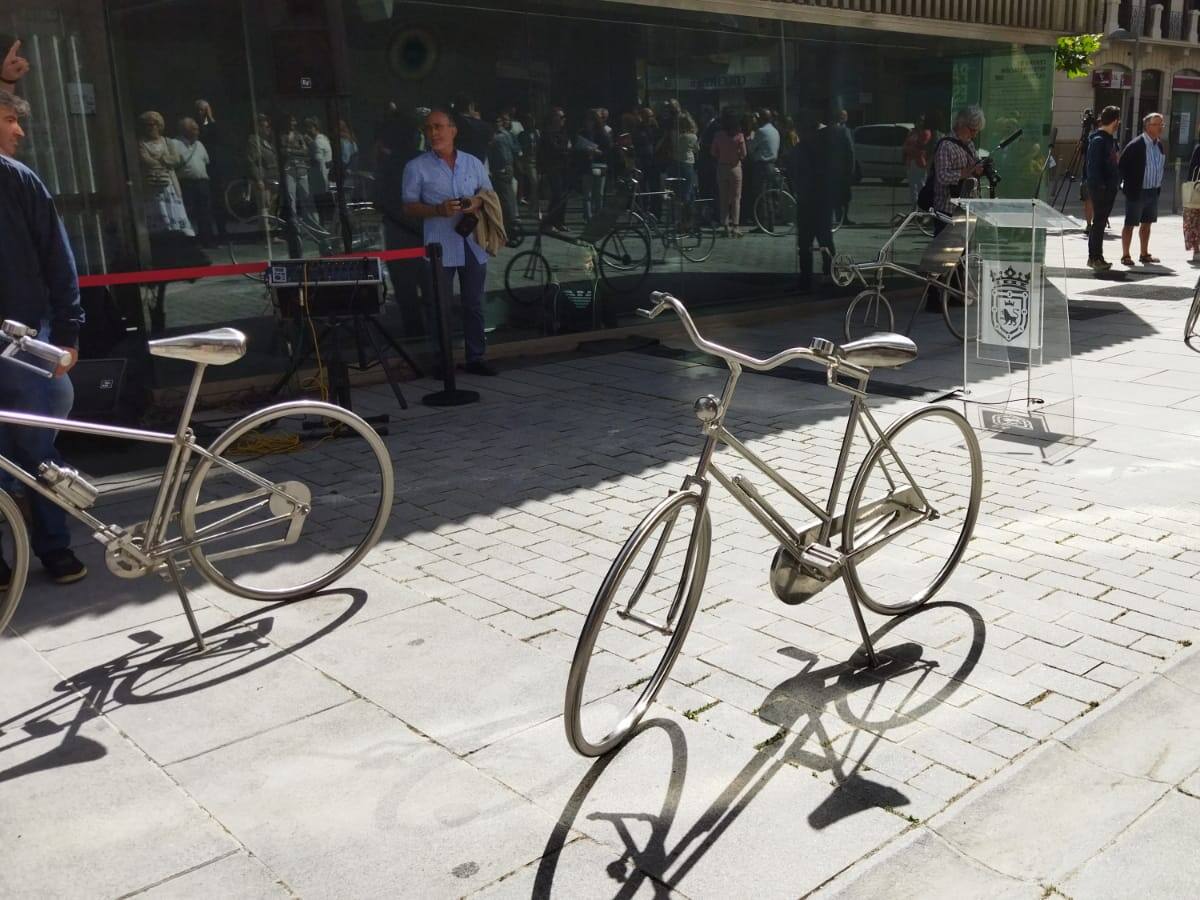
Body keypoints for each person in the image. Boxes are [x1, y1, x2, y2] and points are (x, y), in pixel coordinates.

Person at [0, 90, 88, 585]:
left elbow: (59, 258)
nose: (20, 132)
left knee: (37, 446)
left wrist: (69, 332)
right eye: (10, 119)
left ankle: (55, 548)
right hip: (24, 341)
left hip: (26, 341)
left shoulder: (17, 179)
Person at [402, 108, 496, 376]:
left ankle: (476, 357)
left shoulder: (473, 162)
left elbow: (488, 193)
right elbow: (408, 207)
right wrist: (436, 210)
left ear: (453, 130)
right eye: (429, 128)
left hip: (472, 243)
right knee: (439, 306)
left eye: (439, 127)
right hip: (439, 246)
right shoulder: (416, 167)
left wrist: (474, 202)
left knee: (474, 303)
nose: (434, 133)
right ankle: (442, 362)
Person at [789, 110, 836, 291]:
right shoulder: (822, 150)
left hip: (809, 201)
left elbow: (793, 173)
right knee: (823, 240)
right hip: (819, 200)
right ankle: (827, 274)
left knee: (807, 243)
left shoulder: (800, 150)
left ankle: (808, 277)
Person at [1118, 112, 1166, 266]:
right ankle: (1125, 255)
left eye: (1161, 124)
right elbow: (1122, 167)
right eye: (1157, 124)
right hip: (1137, 191)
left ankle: (1144, 253)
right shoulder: (1136, 145)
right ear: (1147, 126)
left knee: (1147, 224)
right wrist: (1126, 186)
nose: (1160, 127)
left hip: (1153, 191)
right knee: (1130, 224)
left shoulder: (1159, 145)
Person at [137, 110, 194, 238]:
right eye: (147, 125)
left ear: (159, 125)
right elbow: (144, 158)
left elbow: (176, 159)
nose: (150, 128)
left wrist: (163, 160)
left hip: (169, 183)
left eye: (153, 124)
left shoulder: (167, 141)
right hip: (151, 182)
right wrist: (161, 161)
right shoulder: (142, 143)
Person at [929, 105, 987, 229]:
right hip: (947, 211)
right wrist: (966, 172)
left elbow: (974, 166)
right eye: (972, 130)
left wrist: (980, 169)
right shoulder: (946, 145)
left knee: (965, 247)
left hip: (966, 208)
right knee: (945, 247)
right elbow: (942, 177)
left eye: (977, 131)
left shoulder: (969, 144)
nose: (974, 135)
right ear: (961, 124)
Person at [1084, 106, 1122, 273]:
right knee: (1098, 224)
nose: (1118, 124)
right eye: (1118, 120)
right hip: (1101, 188)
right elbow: (1093, 168)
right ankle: (1094, 257)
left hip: (1108, 187)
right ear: (1115, 121)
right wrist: (1102, 187)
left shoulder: (1108, 139)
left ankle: (1097, 257)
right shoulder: (1099, 140)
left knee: (1099, 223)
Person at [172, 117, 215, 247]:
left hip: (202, 183)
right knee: (188, 213)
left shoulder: (200, 144)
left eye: (197, 129)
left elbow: (206, 161)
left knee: (205, 213)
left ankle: (207, 241)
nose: (197, 131)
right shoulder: (174, 143)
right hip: (186, 183)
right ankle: (190, 243)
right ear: (184, 130)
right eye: (193, 129)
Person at [193, 100, 229, 239]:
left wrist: (210, 117)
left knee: (219, 200)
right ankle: (206, 233)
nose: (201, 113)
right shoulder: (195, 127)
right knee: (204, 203)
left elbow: (217, 135)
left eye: (204, 110)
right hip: (201, 167)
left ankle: (222, 231)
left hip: (215, 167)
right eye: (199, 110)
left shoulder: (212, 125)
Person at [711, 108, 747, 237]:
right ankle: (735, 226)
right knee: (736, 198)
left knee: (723, 198)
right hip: (735, 168)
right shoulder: (739, 136)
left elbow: (713, 152)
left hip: (722, 167)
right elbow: (744, 154)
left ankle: (725, 225)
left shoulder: (718, 135)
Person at [538, 107, 571, 231]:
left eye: (564, 117)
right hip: (553, 168)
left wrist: (565, 149)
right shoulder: (547, 133)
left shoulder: (563, 133)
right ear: (554, 118)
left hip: (564, 167)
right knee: (556, 194)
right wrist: (564, 148)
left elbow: (567, 147)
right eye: (560, 117)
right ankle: (548, 222)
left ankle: (560, 221)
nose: (563, 120)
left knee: (564, 196)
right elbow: (554, 149)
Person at [487, 112, 519, 237]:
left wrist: (512, 165)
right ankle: (507, 223)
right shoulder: (492, 136)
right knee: (503, 197)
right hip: (497, 169)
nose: (498, 123)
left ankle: (510, 224)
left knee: (507, 196)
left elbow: (513, 150)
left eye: (499, 121)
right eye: (495, 121)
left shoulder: (505, 135)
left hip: (506, 167)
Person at [747, 109, 779, 228]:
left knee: (761, 195)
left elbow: (751, 148)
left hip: (761, 165)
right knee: (768, 194)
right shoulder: (775, 131)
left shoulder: (761, 131)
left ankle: (763, 223)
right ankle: (771, 222)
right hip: (772, 164)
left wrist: (750, 136)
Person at [828, 109, 856, 225]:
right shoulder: (845, 131)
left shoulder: (829, 130)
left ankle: (838, 217)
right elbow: (850, 151)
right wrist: (852, 168)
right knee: (845, 196)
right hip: (843, 169)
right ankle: (843, 218)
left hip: (832, 168)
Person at [903, 117, 933, 209]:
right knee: (912, 187)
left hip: (920, 162)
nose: (919, 122)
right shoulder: (912, 132)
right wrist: (911, 149)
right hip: (910, 162)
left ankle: (922, 209)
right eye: (918, 120)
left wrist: (911, 149)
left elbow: (921, 146)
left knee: (921, 185)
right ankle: (914, 208)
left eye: (922, 121)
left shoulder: (926, 132)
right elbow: (905, 146)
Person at [1186, 131, 1200, 264]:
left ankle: (1197, 250)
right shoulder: (1198, 148)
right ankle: (1196, 249)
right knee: (1195, 221)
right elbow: (1193, 170)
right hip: (1197, 190)